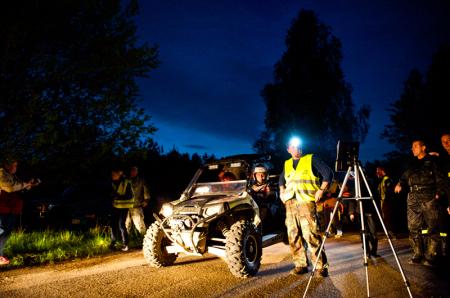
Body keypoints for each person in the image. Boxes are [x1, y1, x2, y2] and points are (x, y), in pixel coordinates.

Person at [279, 137, 333, 277]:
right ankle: (300, 264)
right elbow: (281, 179)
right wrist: (281, 191)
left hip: (306, 203)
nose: (297, 149)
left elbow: (328, 173)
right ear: (288, 149)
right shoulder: (287, 163)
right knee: (293, 236)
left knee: (311, 236)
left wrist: (321, 190)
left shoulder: (311, 159)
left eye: (299, 146)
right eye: (293, 147)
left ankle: (321, 266)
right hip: (290, 203)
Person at [394, 139, 449, 266]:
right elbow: (404, 176)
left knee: (432, 227)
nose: (412, 149)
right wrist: (399, 183)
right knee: (413, 227)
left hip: (428, 196)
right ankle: (417, 254)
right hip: (413, 197)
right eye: (412, 147)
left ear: (423, 147)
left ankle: (431, 256)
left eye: (415, 146)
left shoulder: (433, 161)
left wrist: (439, 193)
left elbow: (441, 179)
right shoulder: (411, 163)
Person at [0, 159, 39, 265]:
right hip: (2, 208)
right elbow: (9, 188)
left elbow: (20, 188)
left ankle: (0, 256)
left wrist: (29, 185)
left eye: (16, 166)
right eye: (14, 165)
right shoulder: (1, 174)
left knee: (7, 232)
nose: (15, 168)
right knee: (1, 230)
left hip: (12, 208)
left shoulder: (13, 176)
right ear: (7, 165)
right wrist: (24, 185)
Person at [110, 169, 134, 252]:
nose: (112, 176)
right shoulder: (113, 183)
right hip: (115, 206)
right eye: (112, 175)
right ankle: (113, 244)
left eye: (114, 174)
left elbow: (130, 195)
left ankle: (125, 244)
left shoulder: (126, 183)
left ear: (119, 174)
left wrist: (118, 197)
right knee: (113, 225)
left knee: (121, 224)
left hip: (124, 206)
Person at [125, 166, 150, 236]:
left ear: (137, 172)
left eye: (135, 170)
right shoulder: (126, 180)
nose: (133, 172)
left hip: (137, 205)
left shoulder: (141, 180)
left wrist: (146, 200)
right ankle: (126, 240)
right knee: (126, 224)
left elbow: (146, 190)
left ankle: (145, 238)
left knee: (139, 223)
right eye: (132, 170)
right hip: (126, 206)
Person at [376, 166, 397, 239]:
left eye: (378, 171)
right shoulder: (381, 180)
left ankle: (392, 234)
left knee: (388, 218)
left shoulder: (387, 179)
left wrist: (387, 200)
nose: (377, 173)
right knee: (385, 218)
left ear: (382, 171)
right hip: (383, 201)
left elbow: (390, 191)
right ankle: (389, 233)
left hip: (387, 201)